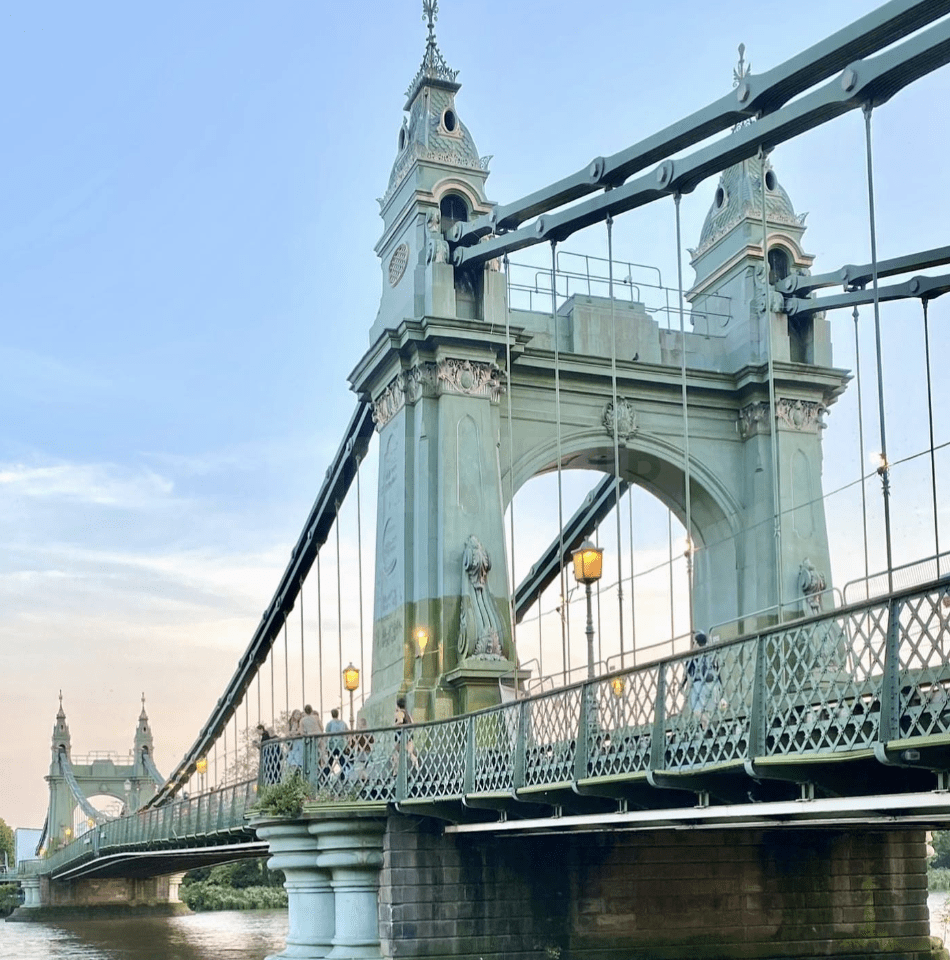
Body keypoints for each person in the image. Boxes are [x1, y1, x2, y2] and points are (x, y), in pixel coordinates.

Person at [685, 632, 720, 727]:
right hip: (713, 684)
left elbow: (688, 674)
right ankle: (707, 730)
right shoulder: (711, 653)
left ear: (696, 643)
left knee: (697, 710)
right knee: (709, 710)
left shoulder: (692, 656)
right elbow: (717, 669)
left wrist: (685, 689)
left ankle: (708, 724)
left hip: (698, 685)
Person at [393, 696, 419, 771]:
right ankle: (417, 766)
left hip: (401, 736)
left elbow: (400, 721)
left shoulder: (400, 713)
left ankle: (396, 772)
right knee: (410, 753)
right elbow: (413, 723)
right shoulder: (408, 713)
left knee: (395, 753)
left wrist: (394, 725)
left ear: (397, 705)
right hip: (409, 735)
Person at [325, 708, 349, 779]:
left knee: (330, 761)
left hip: (332, 744)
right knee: (342, 761)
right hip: (341, 744)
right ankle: (343, 776)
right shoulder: (343, 723)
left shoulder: (329, 724)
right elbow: (347, 731)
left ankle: (326, 776)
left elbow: (327, 732)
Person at [285, 710, 304, 777]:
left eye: (299, 714)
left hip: (299, 743)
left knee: (299, 759)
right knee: (292, 760)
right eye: (297, 714)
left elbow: (300, 731)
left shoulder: (300, 723)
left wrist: (296, 732)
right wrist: (291, 733)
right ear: (293, 714)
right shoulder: (290, 723)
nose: (298, 715)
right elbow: (286, 733)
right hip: (292, 744)